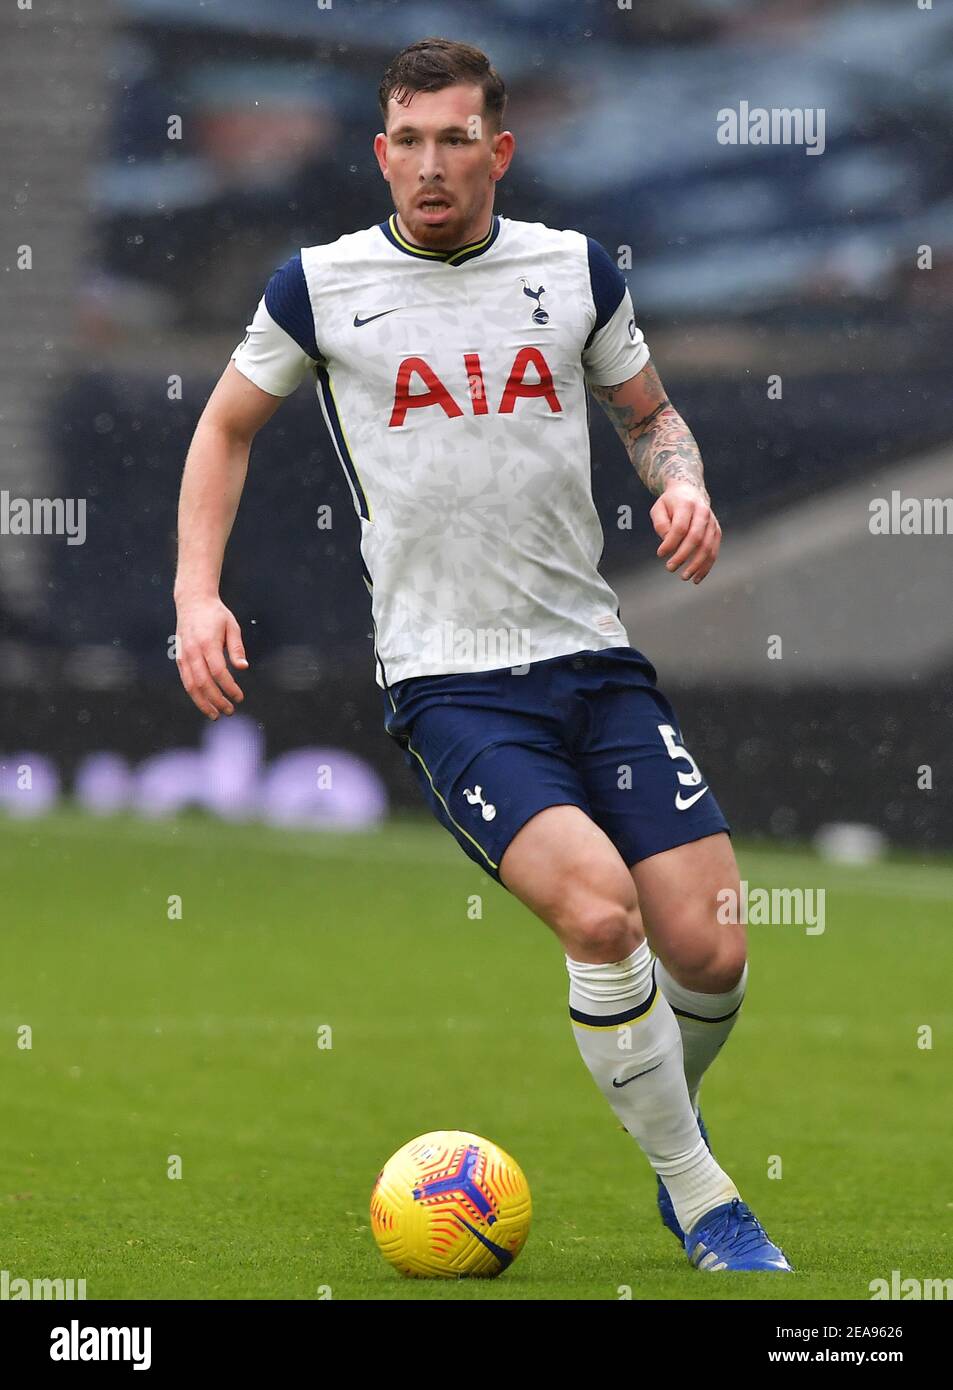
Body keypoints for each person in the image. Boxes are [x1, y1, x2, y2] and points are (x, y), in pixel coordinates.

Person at [174, 36, 792, 1274]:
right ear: (379, 152)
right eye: (406, 140)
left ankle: (660, 1103)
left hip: (592, 658)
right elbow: (226, 425)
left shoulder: (572, 270)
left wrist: (683, 485)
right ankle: (705, 1195)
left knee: (712, 942)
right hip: (450, 678)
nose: (429, 165)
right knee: (600, 915)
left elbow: (649, 413)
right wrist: (196, 595)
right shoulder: (319, 285)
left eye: (455, 138)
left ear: (496, 150)